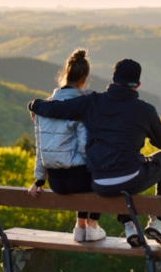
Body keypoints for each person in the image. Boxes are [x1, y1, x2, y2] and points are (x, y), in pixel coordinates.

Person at [27, 58, 161, 247]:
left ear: (113, 79)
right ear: (138, 85)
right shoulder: (145, 110)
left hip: (99, 183)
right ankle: (159, 222)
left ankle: (130, 224)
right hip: (131, 178)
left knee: (118, 172)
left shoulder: (92, 102)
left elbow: (57, 108)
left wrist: (34, 105)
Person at [27, 48, 106, 242]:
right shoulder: (80, 107)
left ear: (65, 74)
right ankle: (92, 226)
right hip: (78, 180)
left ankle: (80, 226)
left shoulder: (44, 107)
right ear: (84, 78)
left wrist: (39, 180)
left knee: (83, 170)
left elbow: (41, 149)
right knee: (98, 173)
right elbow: (84, 148)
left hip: (56, 182)